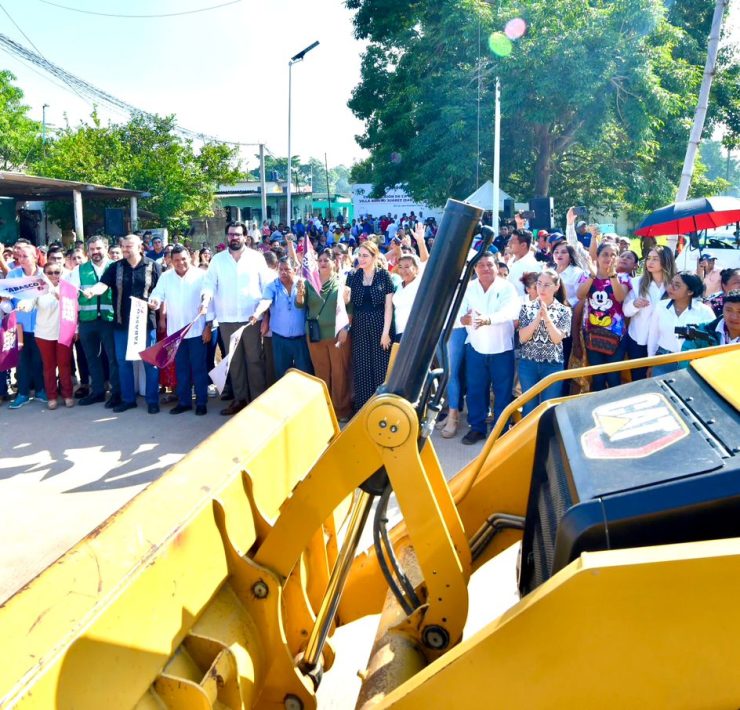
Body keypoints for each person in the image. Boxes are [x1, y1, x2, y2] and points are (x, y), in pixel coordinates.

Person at [200, 221, 274, 416]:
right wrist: (206, 299)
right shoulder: (218, 260)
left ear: (245, 237)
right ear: (227, 237)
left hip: (251, 319)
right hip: (226, 320)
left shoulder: (256, 258)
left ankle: (258, 401)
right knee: (234, 362)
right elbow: (209, 285)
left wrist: (265, 315)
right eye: (231, 234)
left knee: (254, 360)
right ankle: (240, 400)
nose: (234, 237)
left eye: (238, 234)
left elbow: (267, 288)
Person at [82, 234, 162, 413]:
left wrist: (156, 303)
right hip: (121, 324)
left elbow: (161, 291)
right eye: (123, 246)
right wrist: (92, 292)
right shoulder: (116, 267)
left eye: (129, 246)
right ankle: (128, 399)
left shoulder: (153, 266)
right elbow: (103, 285)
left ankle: (152, 400)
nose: (125, 249)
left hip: (146, 324)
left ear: (140, 246)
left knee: (150, 362)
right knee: (123, 362)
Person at [459, 253, 520, 444]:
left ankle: (500, 430)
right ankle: (477, 427)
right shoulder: (468, 288)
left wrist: (487, 319)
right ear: (474, 268)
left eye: (489, 264)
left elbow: (509, 312)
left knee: (502, 391)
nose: (485, 268)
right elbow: (459, 312)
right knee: (476, 389)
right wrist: (464, 319)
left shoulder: (507, 287)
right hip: (476, 348)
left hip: (501, 348)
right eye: (481, 265)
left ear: (496, 266)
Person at [148, 246, 210, 416]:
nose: (180, 263)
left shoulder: (201, 275)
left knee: (198, 368)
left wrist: (208, 326)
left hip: (197, 330)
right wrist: (154, 301)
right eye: (176, 260)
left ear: (189, 258)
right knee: (181, 368)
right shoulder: (166, 277)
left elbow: (209, 298)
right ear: (170, 261)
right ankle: (184, 402)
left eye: (183, 259)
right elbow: (157, 294)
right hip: (176, 332)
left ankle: (201, 402)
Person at [296, 249, 352, 420]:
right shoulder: (308, 282)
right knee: (321, 372)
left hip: (337, 335)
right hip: (315, 335)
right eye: (320, 260)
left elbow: (349, 309)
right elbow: (300, 305)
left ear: (333, 262)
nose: (322, 262)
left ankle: (341, 410)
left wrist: (345, 329)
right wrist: (299, 293)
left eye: (326, 260)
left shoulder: (341, 281)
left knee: (339, 373)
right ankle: (324, 409)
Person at [68, 236, 121, 408]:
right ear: (87, 251)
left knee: (113, 358)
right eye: (92, 249)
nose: (95, 252)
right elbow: (72, 295)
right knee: (92, 358)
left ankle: (116, 393)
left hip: (108, 320)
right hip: (87, 321)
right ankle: (97, 391)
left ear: (105, 248)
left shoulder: (115, 267)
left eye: (98, 248)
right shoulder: (79, 270)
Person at [17, 261, 75, 409]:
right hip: (44, 333)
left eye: (57, 272)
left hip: (64, 333)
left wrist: (76, 330)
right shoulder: (39, 288)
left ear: (61, 273)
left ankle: (67, 394)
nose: (53, 276)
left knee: (64, 365)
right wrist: (23, 305)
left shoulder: (68, 288)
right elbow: (29, 304)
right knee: (48, 366)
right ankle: (52, 396)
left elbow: (74, 308)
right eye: (50, 273)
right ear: (44, 274)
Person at [346, 241, 395, 412]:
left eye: (365, 255)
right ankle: (365, 409)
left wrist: (386, 333)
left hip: (380, 323)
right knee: (362, 366)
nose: (361, 259)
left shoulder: (384, 275)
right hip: (359, 325)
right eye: (359, 255)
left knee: (381, 367)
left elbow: (388, 306)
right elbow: (347, 302)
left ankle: (382, 407)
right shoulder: (353, 276)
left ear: (374, 257)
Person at [576, 241, 631, 391]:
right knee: (598, 378)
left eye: (613, 254)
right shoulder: (587, 275)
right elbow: (580, 295)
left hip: (616, 335)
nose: (609, 258)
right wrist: (592, 276)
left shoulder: (623, 277)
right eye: (605, 254)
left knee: (614, 377)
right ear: (598, 257)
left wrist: (612, 275)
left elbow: (620, 297)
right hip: (593, 334)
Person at [517, 269, 571, 416]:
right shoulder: (526, 307)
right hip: (528, 363)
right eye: (539, 284)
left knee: (548, 408)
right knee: (529, 407)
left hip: (552, 365)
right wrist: (536, 319)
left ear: (556, 286)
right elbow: (522, 338)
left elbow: (557, 338)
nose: (541, 288)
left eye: (547, 285)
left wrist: (546, 317)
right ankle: (528, 439)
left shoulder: (564, 311)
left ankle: (543, 439)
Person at [248, 257, 313, 379]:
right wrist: (257, 313)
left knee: (305, 374)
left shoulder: (303, 283)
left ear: (294, 269)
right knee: (282, 374)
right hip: (280, 340)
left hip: (301, 339)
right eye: (281, 269)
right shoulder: (272, 286)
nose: (283, 272)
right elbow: (266, 300)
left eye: (287, 269)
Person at [622, 245, 675, 381]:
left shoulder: (675, 285)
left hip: (663, 341)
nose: (650, 262)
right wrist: (634, 304)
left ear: (666, 261)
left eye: (655, 259)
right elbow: (626, 311)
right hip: (639, 338)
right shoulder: (636, 283)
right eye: (648, 258)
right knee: (639, 380)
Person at [647, 272, 715, 377]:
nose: (671, 287)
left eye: (677, 285)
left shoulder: (705, 312)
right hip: (662, 359)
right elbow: (653, 336)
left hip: (692, 364)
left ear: (690, 291)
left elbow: (711, 342)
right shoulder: (661, 306)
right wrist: (650, 363)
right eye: (671, 283)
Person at [6, 243, 46, 409]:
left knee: (39, 359)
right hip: (19, 326)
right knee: (22, 361)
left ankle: (41, 390)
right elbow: (6, 296)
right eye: (19, 256)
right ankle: (22, 393)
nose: (21, 259)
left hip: (41, 324)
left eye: (25, 256)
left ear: (35, 256)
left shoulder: (44, 275)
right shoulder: (13, 275)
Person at [506, 229, 541, 298]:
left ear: (523, 245)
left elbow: (533, 295)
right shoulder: (511, 261)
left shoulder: (532, 267)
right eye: (509, 241)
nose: (508, 244)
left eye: (512, 241)